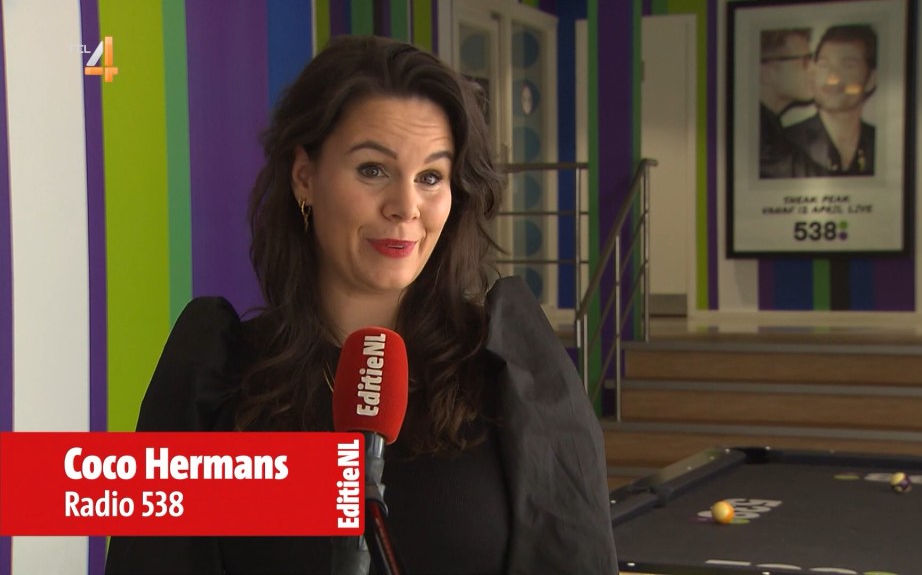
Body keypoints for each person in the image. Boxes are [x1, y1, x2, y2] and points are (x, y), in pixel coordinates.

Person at [105, 35, 617, 575]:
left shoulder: (507, 371)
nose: (405, 206)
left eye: (431, 177)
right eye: (373, 169)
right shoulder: (218, 375)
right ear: (305, 177)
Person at [785, 25, 878, 176]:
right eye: (824, 65)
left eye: (848, 65)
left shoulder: (884, 143)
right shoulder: (785, 143)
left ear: (871, 79)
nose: (832, 77)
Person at [758, 28, 826, 178]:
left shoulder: (766, 126)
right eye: (804, 61)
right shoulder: (760, 136)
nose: (814, 69)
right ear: (765, 72)